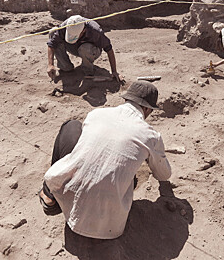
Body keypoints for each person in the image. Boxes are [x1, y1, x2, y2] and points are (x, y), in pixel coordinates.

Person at [39, 81, 172, 239]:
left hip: (68, 202)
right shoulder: (151, 136)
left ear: (127, 99)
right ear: (148, 109)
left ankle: (50, 195)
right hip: (110, 228)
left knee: (72, 127)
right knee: (128, 178)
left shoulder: (97, 114)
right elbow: (164, 175)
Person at [46, 15, 122, 82]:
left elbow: (109, 49)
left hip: (91, 50)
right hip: (74, 46)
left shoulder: (95, 31)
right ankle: (65, 67)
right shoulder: (66, 25)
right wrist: (50, 64)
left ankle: (88, 70)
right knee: (53, 32)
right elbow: (52, 44)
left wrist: (114, 71)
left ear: (83, 31)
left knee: (85, 48)